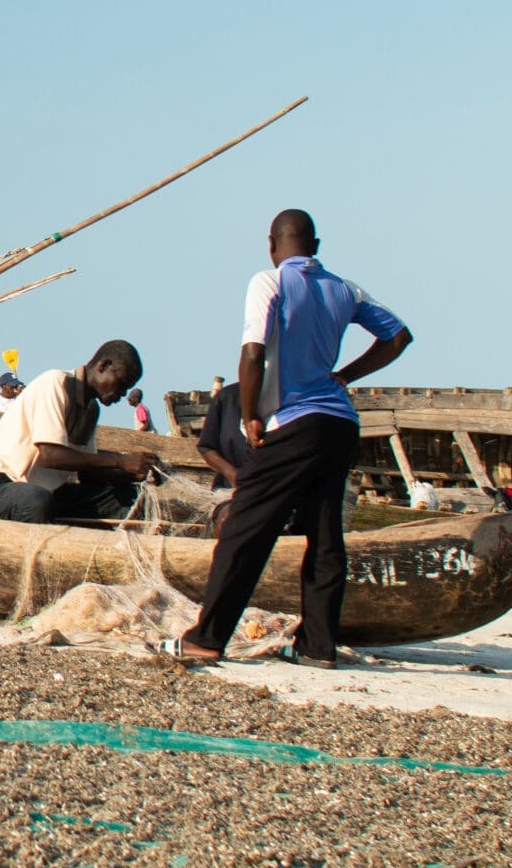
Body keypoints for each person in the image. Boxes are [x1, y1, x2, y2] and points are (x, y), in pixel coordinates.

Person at [176, 209, 412, 669]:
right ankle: (317, 646)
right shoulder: (345, 289)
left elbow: (252, 351)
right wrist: (344, 376)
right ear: (317, 247)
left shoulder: (270, 282)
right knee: (325, 535)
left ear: (271, 245)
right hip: (339, 424)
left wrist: (249, 416)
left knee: (245, 527)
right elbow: (399, 337)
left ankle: (205, 637)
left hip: (294, 421)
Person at [0, 342, 160, 522]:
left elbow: (87, 473)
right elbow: (50, 455)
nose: (123, 394)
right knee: (37, 501)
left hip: (50, 493)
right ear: (103, 366)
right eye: (122, 384)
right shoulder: (56, 383)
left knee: (129, 496)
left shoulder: (91, 409)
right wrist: (120, 460)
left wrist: (135, 473)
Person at [195, 378, 254, 498]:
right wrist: (231, 473)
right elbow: (206, 447)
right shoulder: (227, 397)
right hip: (229, 490)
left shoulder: (289, 401)